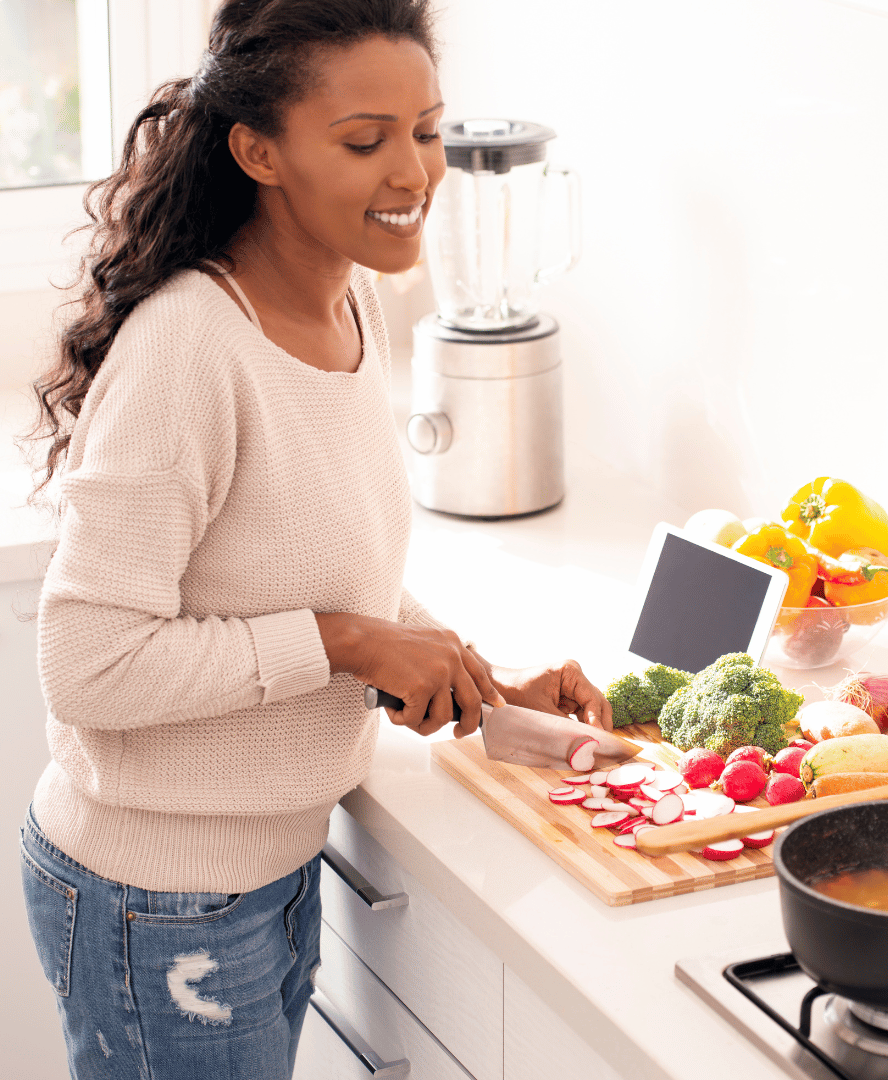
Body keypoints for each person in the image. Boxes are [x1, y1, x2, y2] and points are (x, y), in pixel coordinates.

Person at [19, 2, 613, 1077]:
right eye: (363, 141)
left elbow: (333, 570)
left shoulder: (349, 308)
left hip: (267, 867)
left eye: (426, 130)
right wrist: (347, 644)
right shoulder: (190, 352)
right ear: (259, 152)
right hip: (156, 902)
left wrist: (484, 676)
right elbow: (87, 665)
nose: (414, 175)